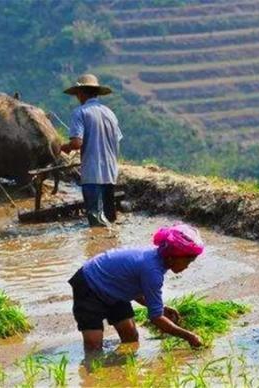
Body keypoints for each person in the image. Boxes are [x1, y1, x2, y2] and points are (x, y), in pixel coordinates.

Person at [68, 224, 205, 352]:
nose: (187, 266)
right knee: (94, 347)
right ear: (171, 258)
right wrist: (189, 336)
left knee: (131, 337)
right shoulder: (152, 270)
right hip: (90, 284)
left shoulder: (157, 261)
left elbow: (131, 286)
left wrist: (160, 307)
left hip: (116, 288)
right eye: (187, 261)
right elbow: (156, 318)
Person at [61, 74, 122, 227]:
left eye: (77, 94)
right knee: (110, 216)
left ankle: (96, 244)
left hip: (92, 173)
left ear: (81, 93)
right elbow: (117, 138)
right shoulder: (110, 113)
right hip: (110, 172)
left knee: (95, 217)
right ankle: (112, 242)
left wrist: (65, 147)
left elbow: (76, 143)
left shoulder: (80, 112)